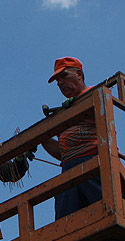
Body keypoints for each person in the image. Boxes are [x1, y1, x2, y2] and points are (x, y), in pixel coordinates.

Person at [41, 57, 103, 219]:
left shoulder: (96, 93)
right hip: (68, 168)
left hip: (94, 163)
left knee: (103, 211)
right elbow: (64, 152)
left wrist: (78, 106)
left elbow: (102, 107)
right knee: (66, 224)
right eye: (57, 81)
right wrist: (44, 140)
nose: (60, 83)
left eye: (64, 76)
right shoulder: (62, 113)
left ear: (79, 75)